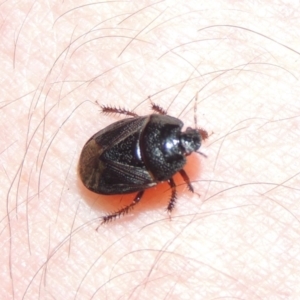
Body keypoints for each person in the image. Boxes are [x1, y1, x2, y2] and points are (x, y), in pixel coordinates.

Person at [1, 1, 299, 299]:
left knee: (136, 138)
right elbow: (172, 184)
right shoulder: (168, 165)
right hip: (123, 162)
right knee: (141, 194)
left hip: (115, 151)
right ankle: (108, 217)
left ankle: (108, 198)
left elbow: (154, 125)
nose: (187, 141)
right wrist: (178, 196)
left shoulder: (160, 130)